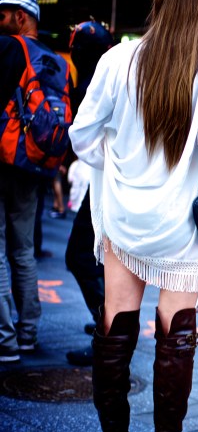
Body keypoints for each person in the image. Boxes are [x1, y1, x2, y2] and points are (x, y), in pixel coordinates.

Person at [68, 0, 198, 432]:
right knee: (175, 334)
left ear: (158, 5)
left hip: (123, 216)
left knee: (115, 327)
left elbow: (81, 135)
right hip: (180, 225)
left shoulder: (116, 59)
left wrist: (115, 162)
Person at [0, 0, 56, 362]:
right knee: (23, 250)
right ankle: (27, 334)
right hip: (35, 161)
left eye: (3, 15)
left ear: (21, 18)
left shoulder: (8, 48)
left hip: (4, 158)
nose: (0, 21)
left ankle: (3, 340)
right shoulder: (55, 61)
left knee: (0, 251)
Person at [62, 20, 115, 367]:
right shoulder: (113, 78)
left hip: (105, 185)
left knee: (80, 256)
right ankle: (110, 324)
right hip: (112, 184)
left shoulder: (92, 88)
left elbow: (85, 142)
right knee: (99, 260)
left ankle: (108, 332)